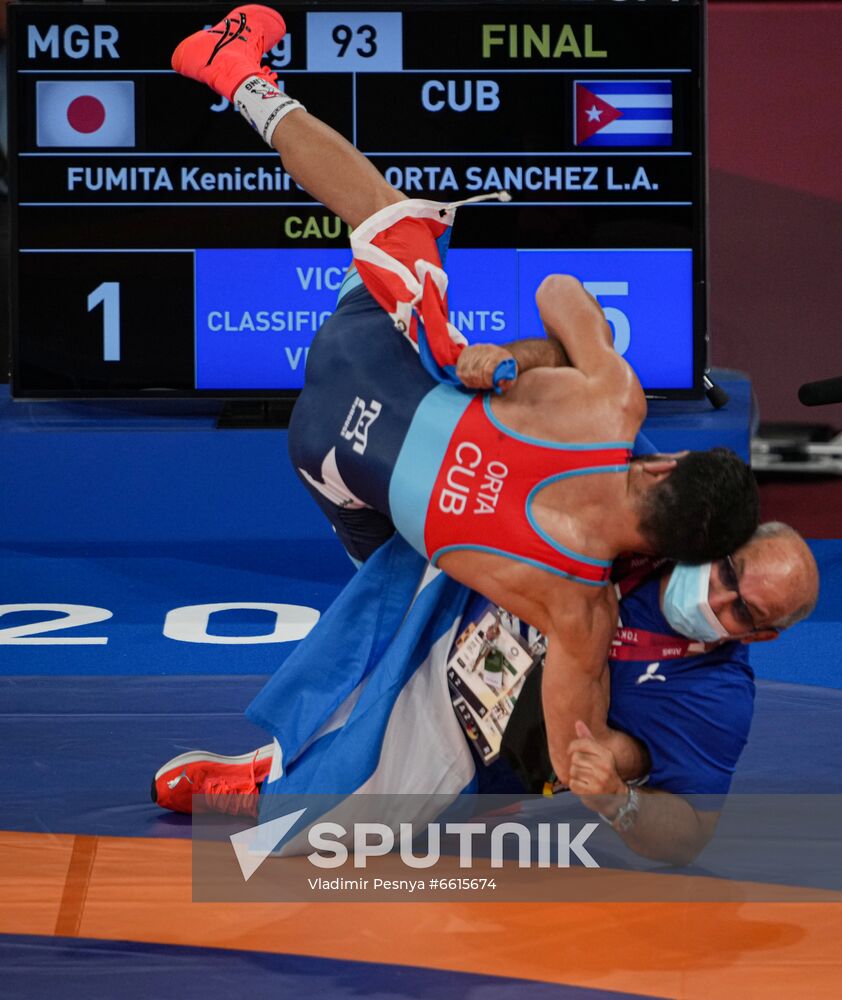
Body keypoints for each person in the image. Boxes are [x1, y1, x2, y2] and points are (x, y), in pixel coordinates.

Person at [170, 6, 759, 781]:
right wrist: (615, 770)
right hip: (331, 469)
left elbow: (559, 289)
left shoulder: (613, 409)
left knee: (389, 217)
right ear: (661, 557)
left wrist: (511, 358)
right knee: (419, 606)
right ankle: (277, 775)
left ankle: (239, 76)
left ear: (661, 464)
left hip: (361, 371)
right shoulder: (580, 611)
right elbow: (564, 755)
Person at [153, 522, 819, 864]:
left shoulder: (713, 699)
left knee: (304, 835)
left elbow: (689, 836)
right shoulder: (658, 531)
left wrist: (619, 805)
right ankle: (277, 755)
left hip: (474, 739)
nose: (717, 597)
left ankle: (270, 789)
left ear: (758, 638)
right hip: (456, 609)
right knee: (380, 608)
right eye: (729, 572)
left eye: (740, 612)